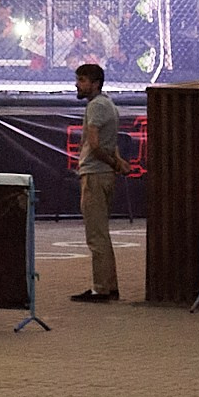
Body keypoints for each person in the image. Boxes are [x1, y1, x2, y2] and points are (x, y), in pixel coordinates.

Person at [70, 62, 129, 304]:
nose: (77, 84)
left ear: (95, 84)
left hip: (95, 174)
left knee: (95, 235)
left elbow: (94, 144)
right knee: (102, 234)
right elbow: (109, 143)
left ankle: (101, 288)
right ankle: (109, 285)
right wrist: (117, 163)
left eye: (82, 80)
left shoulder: (96, 107)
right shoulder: (108, 105)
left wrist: (114, 163)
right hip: (103, 174)